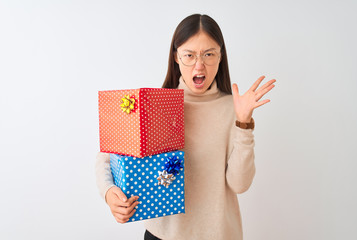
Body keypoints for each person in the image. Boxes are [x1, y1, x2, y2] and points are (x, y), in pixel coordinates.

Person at [95, 14, 276, 240]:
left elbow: (239, 184)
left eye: (209, 54)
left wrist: (244, 123)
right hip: (161, 235)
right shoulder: (155, 104)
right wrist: (109, 192)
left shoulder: (235, 109)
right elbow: (106, 157)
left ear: (220, 57)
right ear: (176, 57)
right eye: (189, 55)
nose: (199, 65)